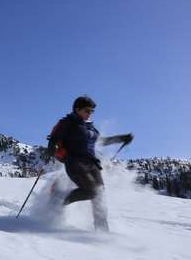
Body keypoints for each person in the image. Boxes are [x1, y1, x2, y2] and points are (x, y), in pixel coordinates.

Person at [46, 95, 134, 231]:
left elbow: (102, 141)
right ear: (77, 109)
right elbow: (54, 139)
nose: (90, 114)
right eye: (87, 110)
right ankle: (60, 200)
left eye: (92, 111)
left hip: (91, 164)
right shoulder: (68, 123)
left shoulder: (90, 128)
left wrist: (121, 138)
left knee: (100, 195)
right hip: (74, 162)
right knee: (92, 191)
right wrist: (53, 147)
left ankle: (102, 231)